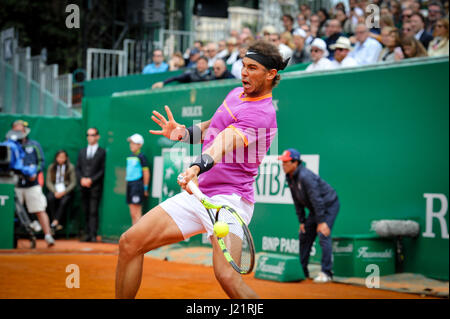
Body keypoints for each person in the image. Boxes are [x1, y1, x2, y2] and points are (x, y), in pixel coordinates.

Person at [115, 39, 287, 299]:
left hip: (228, 201)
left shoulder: (261, 114)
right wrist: (183, 133)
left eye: (252, 68)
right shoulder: (236, 94)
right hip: (199, 194)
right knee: (130, 243)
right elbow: (211, 127)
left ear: (270, 74)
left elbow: (222, 144)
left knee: (228, 277)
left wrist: (196, 166)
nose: (243, 73)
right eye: (243, 66)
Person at [278, 148, 340, 283]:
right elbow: (296, 201)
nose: (283, 165)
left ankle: (326, 272)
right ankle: (302, 271)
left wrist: (322, 222)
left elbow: (317, 199)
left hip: (328, 204)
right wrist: (302, 221)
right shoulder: (290, 177)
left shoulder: (305, 177)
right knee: (305, 234)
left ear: (295, 163)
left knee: (323, 234)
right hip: (316, 209)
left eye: (286, 162)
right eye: (282, 162)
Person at [11, 120, 55, 246]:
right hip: (15, 186)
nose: (19, 132)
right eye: (16, 130)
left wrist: (35, 172)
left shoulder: (34, 144)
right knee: (10, 211)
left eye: (21, 130)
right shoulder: (10, 145)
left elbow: (41, 161)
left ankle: (48, 236)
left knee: (40, 209)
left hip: (32, 185)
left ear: (25, 131)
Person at [76, 127, 106, 242]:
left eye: (93, 135)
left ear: (97, 136)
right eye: (88, 135)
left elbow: (102, 170)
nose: (90, 137)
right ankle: (86, 234)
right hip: (83, 186)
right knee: (85, 210)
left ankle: (93, 235)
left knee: (93, 211)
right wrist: (82, 179)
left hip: (95, 187)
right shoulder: (82, 151)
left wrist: (91, 180)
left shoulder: (102, 152)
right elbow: (78, 168)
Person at [46, 150, 76, 232]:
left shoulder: (70, 167)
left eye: (63, 157)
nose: (61, 159)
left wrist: (64, 192)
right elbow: (48, 182)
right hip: (54, 190)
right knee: (50, 199)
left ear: (66, 158)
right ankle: (55, 222)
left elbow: (73, 183)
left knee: (64, 201)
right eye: (59, 157)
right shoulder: (51, 167)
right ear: (56, 158)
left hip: (66, 191)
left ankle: (55, 222)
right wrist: (55, 191)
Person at [126, 134, 150, 226]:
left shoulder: (141, 157)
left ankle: (139, 238)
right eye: (131, 143)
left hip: (137, 186)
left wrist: (145, 188)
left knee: (137, 214)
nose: (131, 145)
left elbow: (146, 173)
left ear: (140, 145)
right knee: (132, 213)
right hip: (130, 185)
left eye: (134, 143)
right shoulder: (130, 156)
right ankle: (134, 237)